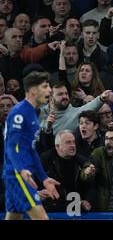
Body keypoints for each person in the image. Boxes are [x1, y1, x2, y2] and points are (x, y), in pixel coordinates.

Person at [2, 71, 60, 220]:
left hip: (21, 173)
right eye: (45, 86)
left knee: (13, 216)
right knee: (42, 218)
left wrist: (44, 178)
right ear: (33, 90)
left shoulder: (33, 113)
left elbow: (31, 149)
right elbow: (10, 146)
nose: (49, 90)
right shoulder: (20, 112)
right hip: (18, 174)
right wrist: (21, 170)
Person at [40, 130, 95, 212]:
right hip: (52, 210)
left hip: (76, 211)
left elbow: (90, 186)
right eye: (68, 142)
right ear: (57, 146)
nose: (73, 145)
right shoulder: (45, 160)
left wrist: (87, 200)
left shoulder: (82, 161)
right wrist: (38, 193)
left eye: (73, 142)